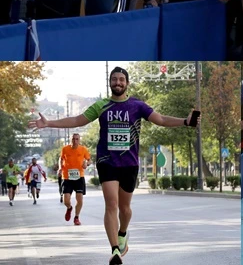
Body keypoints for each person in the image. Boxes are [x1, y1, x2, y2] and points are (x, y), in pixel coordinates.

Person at [29, 66, 200, 265]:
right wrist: (49, 123)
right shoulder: (101, 105)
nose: (118, 82)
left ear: (127, 83)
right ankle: (115, 250)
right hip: (107, 161)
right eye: (114, 79)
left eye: (121, 79)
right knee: (111, 204)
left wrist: (185, 121)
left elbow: (160, 119)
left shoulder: (137, 105)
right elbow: (77, 120)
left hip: (129, 163)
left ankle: (123, 233)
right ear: (110, 83)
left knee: (125, 209)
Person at [60, 133, 92, 225]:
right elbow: (61, 159)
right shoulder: (65, 149)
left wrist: (87, 164)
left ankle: (76, 217)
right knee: (66, 200)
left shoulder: (83, 149)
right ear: (70, 140)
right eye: (73, 139)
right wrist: (60, 168)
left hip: (79, 177)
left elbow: (89, 160)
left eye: (77, 139)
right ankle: (69, 208)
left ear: (79, 140)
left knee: (80, 200)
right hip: (67, 177)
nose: (75, 141)